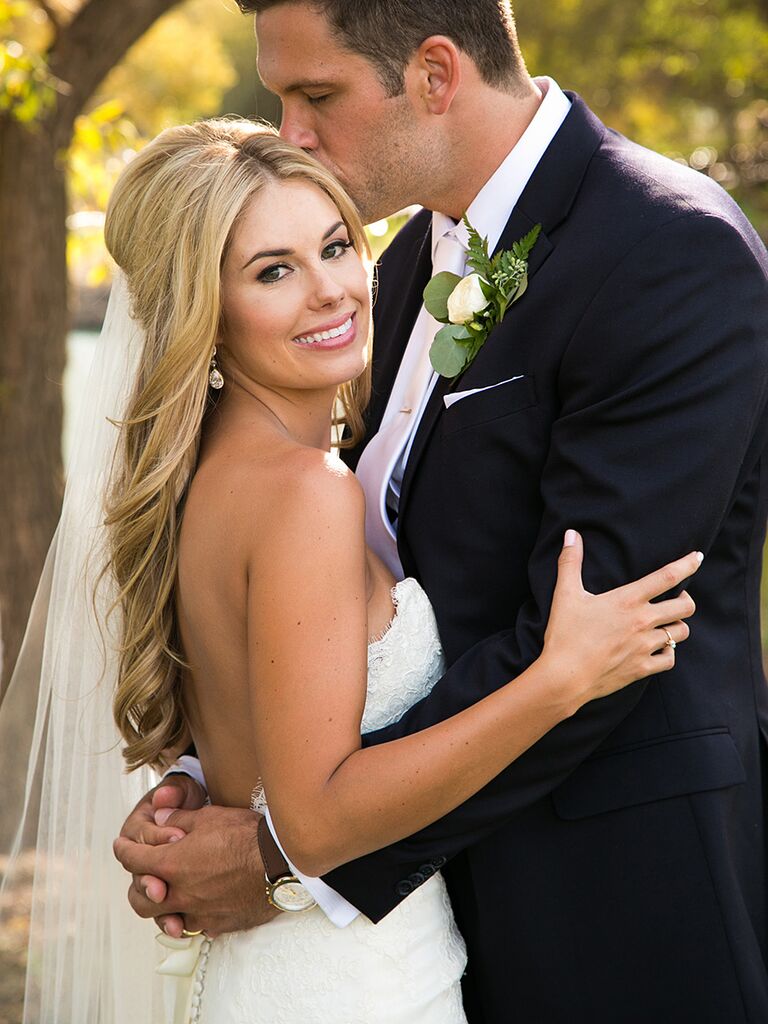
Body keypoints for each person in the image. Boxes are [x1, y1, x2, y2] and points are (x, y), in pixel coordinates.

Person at [114, 2, 768, 1022]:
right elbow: (331, 616)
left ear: (432, 73)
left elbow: (596, 650)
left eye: (315, 93)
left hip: (613, 916)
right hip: (431, 922)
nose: (289, 132)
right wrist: (222, 773)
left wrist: (287, 855)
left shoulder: (665, 252)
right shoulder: (396, 264)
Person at [0, 118, 697, 1023]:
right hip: (352, 986)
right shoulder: (303, 493)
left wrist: (192, 783)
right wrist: (556, 681)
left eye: (334, 246)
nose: (332, 292)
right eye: (272, 271)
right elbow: (315, 820)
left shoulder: (206, 477)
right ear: (202, 312)